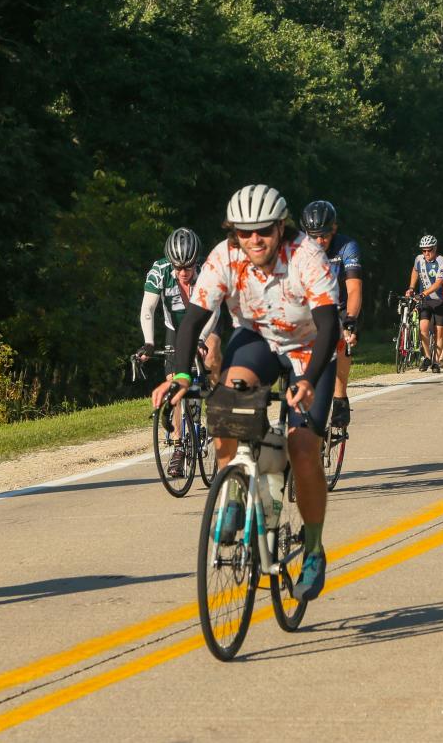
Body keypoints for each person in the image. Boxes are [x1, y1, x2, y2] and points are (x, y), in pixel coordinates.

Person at [152, 184, 338, 601]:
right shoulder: (224, 257)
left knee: (303, 445)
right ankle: (234, 487)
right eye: (245, 232)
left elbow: (330, 325)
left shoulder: (307, 257)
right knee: (227, 401)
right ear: (234, 232)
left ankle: (312, 548)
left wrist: (307, 380)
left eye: (265, 231)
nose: (255, 240)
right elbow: (194, 318)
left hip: (310, 345)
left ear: (281, 228)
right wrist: (181, 375)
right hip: (257, 339)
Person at [137, 227, 221, 478]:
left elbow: (215, 311)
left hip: (206, 323)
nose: (184, 273)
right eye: (178, 268)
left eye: (189, 267)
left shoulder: (208, 271)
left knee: (213, 354)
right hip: (175, 327)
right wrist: (149, 343)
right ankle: (178, 445)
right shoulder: (159, 271)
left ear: (197, 262)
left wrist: (203, 339)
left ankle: (217, 408)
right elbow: (148, 309)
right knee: (174, 382)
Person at [300, 200, 362, 428]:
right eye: (313, 236)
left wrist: (351, 321)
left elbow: (354, 289)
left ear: (333, 229)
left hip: (339, 307)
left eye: (324, 236)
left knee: (341, 341)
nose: (319, 241)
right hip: (309, 306)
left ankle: (340, 399)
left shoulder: (347, 247)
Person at [406, 235, 443, 373]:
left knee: (439, 332)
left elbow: (439, 283)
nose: (426, 253)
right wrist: (412, 288)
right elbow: (415, 270)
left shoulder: (442, 261)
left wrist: (423, 293)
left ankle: (436, 361)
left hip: (440, 300)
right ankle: (427, 357)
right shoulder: (419, 259)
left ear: (435, 248)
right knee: (423, 328)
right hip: (425, 301)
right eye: (423, 250)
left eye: (429, 250)